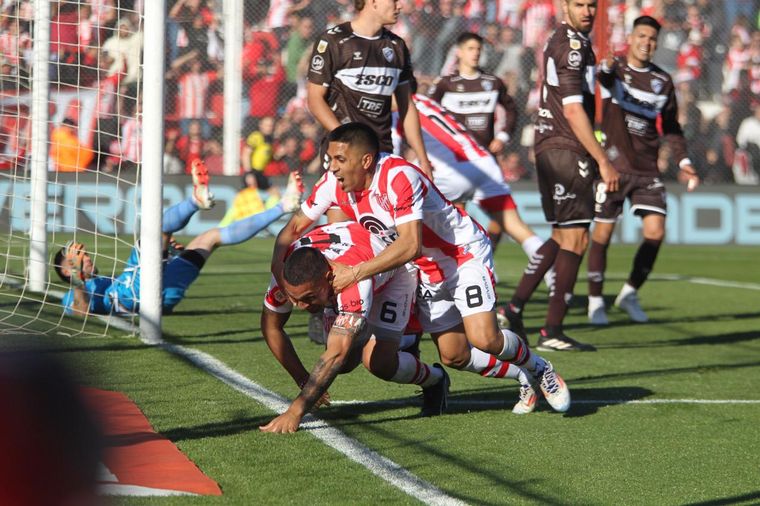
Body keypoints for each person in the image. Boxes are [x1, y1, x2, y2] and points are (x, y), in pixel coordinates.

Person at [271, 122, 571, 416]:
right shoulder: (333, 184)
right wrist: (279, 270)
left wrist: (355, 272)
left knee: (485, 338)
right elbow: (294, 226)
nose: (333, 167)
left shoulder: (398, 177)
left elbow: (410, 244)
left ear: (365, 161)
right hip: (423, 269)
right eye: (331, 159)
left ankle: (540, 368)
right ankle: (522, 377)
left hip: (460, 254)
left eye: (340, 159)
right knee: (454, 355)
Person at [500, 0, 620, 352]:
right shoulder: (571, 45)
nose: (587, 10)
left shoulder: (571, 42)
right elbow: (572, 108)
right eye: (579, 4)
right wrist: (603, 160)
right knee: (577, 238)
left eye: (591, 5)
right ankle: (552, 330)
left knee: (562, 235)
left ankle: (515, 308)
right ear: (564, 6)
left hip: (553, 145)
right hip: (565, 146)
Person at [259, 222, 450, 433]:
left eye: (309, 298)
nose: (301, 307)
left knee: (378, 362)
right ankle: (367, 329)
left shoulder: (352, 283)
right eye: (294, 299)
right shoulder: (286, 276)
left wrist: (295, 412)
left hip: (391, 271)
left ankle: (435, 378)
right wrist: (303, 380)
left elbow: (335, 354)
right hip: (349, 251)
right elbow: (271, 328)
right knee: (346, 363)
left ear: (329, 279)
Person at [54, 161, 303, 316]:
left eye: (83, 254)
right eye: (78, 258)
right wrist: (79, 280)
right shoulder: (73, 294)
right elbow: (81, 313)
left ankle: (284, 205)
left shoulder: (103, 280)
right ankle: (195, 201)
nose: (85, 258)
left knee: (210, 237)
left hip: (163, 294)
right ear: (67, 272)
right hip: (134, 295)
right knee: (156, 231)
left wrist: (160, 259)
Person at [586, 15, 701, 325]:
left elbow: (673, 126)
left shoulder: (663, 81)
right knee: (604, 232)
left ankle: (629, 293)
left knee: (656, 232)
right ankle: (596, 300)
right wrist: (606, 67)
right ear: (632, 38)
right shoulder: (616, 70)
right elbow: (603, 77)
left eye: (652, 38)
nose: (647, 42)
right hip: (614, 165)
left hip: (647, 168)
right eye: (642, 36)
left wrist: (684, 162)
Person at [394, 93, 554, 292]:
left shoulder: (396, 110)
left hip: (451, 172)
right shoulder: (425, 101)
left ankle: (445, 276)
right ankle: (553, 278)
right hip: (484, 163)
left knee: (404, 215)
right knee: (516, 226)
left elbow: (392, 151)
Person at [305, 0, 432, 177]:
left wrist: (423, 159)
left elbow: (407, 106)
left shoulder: (397, 46)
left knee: (381, 205)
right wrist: (348, 140)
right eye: (393, 1)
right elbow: (314, 99)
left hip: (382, 152)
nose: (399, 6)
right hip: (343, 151)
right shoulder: (334, 40)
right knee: (337, 206)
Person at [428, 32, 518, 155]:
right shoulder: (445, 84)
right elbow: (428, 112)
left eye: (479, 49)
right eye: (470, 49)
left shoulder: (493, 83)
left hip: (485, 153)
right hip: (454, 154)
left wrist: (502, 137)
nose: (476, 53)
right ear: (459, 52)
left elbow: (511, 109)